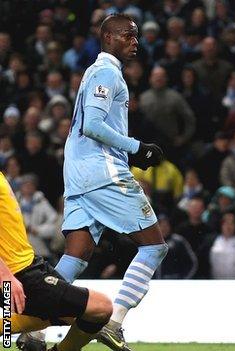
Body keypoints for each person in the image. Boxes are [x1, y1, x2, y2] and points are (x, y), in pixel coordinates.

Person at [24, 14, 169, 351]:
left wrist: (129, 154)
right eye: (127, 36)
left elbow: (91, 128)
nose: (135, 43)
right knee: (154, 246)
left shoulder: (95, 72)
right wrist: (137, 148)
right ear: (107, 37)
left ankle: (33, 327)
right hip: (102, 174)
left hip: (78, 175)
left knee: (76, 256)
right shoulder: (106, 72)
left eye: (136, 37)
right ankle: (115, 322)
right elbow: (92, 124)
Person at [1, 172, 112, 351]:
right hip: (17, 272)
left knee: (75, 316)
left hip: (29, 263)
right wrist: (6, 276)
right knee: (101, 307)